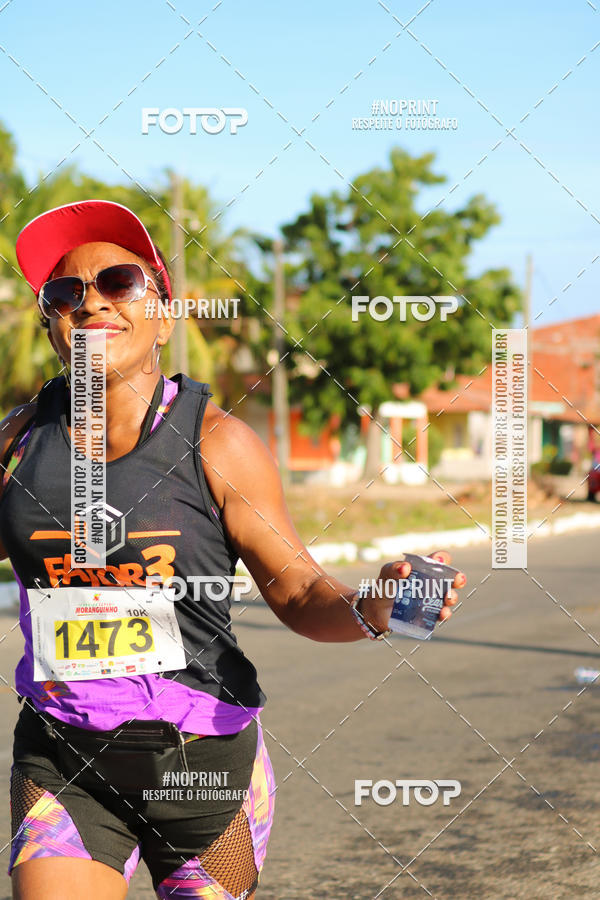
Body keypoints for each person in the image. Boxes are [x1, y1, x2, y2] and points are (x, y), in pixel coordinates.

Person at [0, 200, 465, 900]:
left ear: (163, 317)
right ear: (51, 324)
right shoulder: (18, 443)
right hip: (62, 758)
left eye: (119, 283)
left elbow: (299, 590)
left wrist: (377, 606)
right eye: (66, 292)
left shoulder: (217, 444)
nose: (91, 302)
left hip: (204, 768)